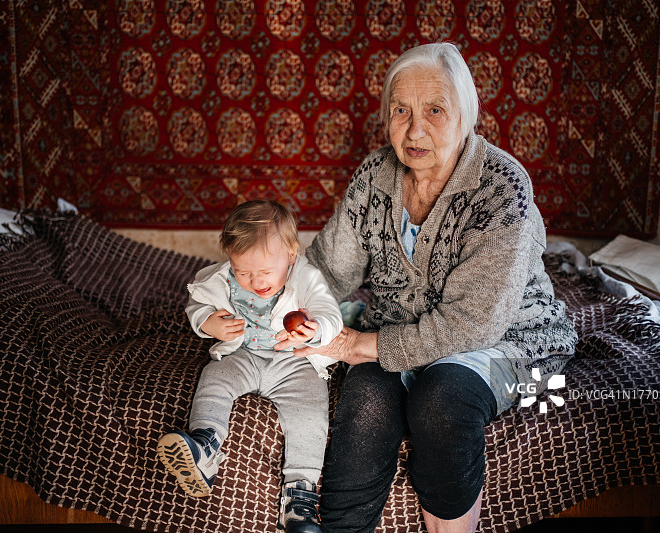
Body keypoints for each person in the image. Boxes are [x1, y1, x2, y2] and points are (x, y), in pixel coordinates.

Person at [294, 43, 578, 533]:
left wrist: (369, 344)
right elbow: (326, 270)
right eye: (400, 110)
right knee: (365, 405)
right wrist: (281, 308)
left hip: (503, 341)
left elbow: (476, 322)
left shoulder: (502, 185)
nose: (415, 128)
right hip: (396, 327)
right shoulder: (375, 175)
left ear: (467, 117)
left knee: (441, 401)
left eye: (435, 111)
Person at [157, 200, 342, 533]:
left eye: (266, 272)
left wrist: (316, 330)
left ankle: (300, 496)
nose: (256, 281)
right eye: (244, 272)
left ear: (291, 253)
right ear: (230, 258)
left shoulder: (306, 277)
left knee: (311, 411)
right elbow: (196, 304)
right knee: (214, 377)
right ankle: (206, 446)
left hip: (293, 362)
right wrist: (208, 323)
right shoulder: (221, 277)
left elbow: (330, 315)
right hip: (244, 354)